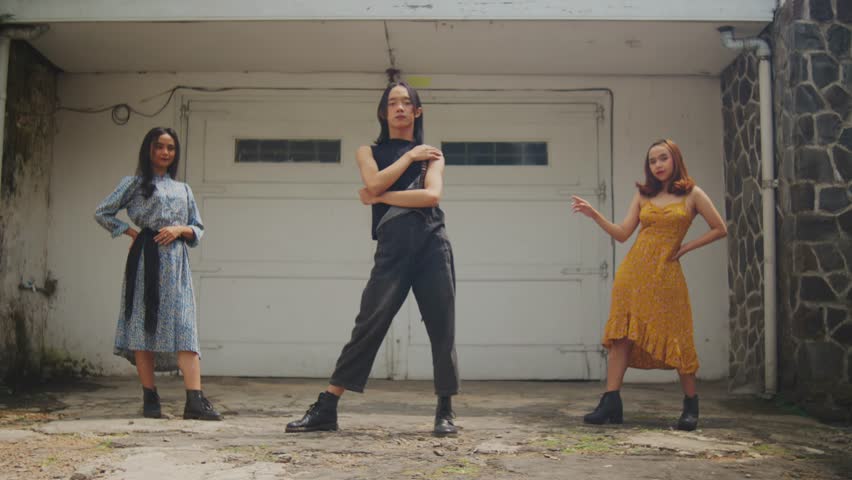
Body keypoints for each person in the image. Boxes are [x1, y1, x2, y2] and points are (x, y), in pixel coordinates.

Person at [286, 76, 460, 436]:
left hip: (432, 245)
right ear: (383, 112)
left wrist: (379, 198)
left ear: (417, 110)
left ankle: (445, 410)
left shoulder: (434, 155)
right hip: (392, 249)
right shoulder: (369, 151)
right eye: (393, 103)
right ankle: (327, 407)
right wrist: (409, 157)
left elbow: (430, 198)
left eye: (405, 103)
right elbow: (375, 180)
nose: (399, 108)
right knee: (369, 324)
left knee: (442, 328)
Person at [571, 139, 727, 430]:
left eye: (663, 158)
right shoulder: (643, 195)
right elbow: (622, 234)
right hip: (633, 274)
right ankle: (610, 400)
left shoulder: (693, 194)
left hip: (666, 276)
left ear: (675, 159)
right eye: (652, 161)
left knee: (678, 336)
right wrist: (595, 215)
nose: (658, 165)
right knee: (622, 336)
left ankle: (690, 405)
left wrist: (686, 247)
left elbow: (720, 228)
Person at [94, 127, 222, 421]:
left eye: (171, 148)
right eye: (159, 146)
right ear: (148, 150)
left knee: (185, 326)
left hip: (177, 263)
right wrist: (129, 232)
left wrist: (179, 229)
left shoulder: (184, 189)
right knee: (143, 324)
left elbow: (198, 228)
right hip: (145, 260)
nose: (165, 152)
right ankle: (150, 398)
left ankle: (195, 402)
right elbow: (102, 211)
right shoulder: (134, 183)